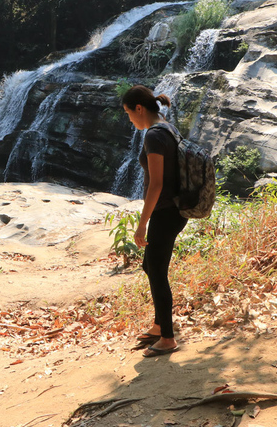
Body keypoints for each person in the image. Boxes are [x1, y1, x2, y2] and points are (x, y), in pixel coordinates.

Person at [122, 85, 188, 358]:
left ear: (139, 108)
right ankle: (160, 324)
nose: (129, 120)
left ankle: (168, 338)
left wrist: (142, 223)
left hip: (166, 212)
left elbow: (156, 184)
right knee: (150, 265)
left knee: (157, 271)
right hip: (174, 209)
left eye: (128, 114)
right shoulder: (168, 128)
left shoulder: (154, 136)